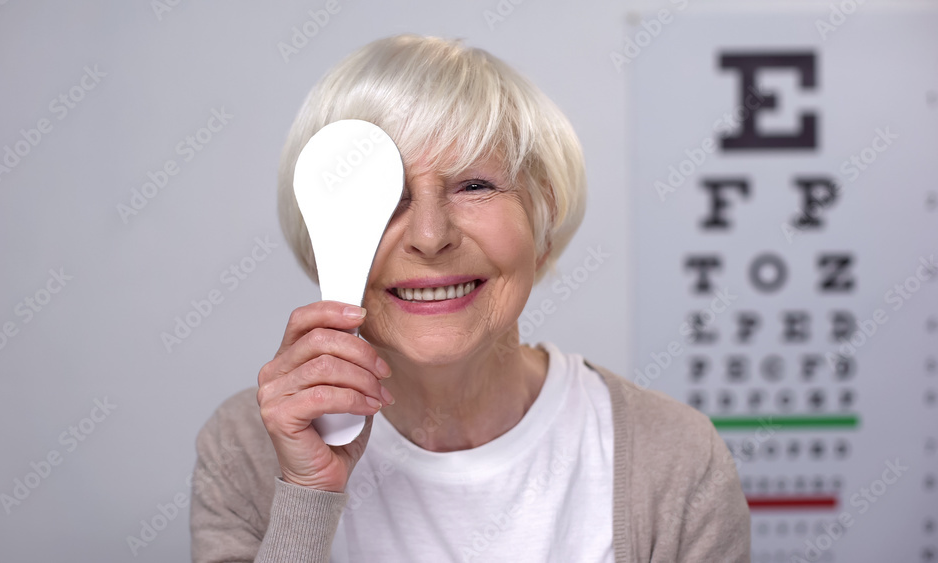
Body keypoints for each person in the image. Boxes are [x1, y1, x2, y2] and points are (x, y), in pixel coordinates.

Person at [190, 34, 750, 563]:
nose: (431, 236)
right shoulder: (245, 447)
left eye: (475, 185)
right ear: (319, 241)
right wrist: (306, 497)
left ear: (543, 223)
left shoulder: (674, 458)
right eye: (387, 197)